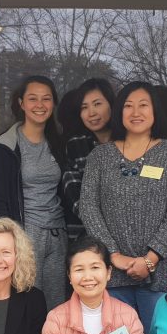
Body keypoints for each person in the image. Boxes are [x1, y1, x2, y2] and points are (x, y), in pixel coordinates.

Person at [79, 82, 167, 334]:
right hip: (112, 276)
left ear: (155, 112)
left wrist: (151, 259)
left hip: (159, 274)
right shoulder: (101, 156)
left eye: (143, 105)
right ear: (119, 112)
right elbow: (88, 207)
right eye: (128, 106)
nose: (135, 112)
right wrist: (114, 255)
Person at [0, 76, 68, 308]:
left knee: (56, 304)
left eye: (46, 99)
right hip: (25, 234)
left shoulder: (57, 143)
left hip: (57, 233)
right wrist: (11, 240)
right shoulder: (4, 146)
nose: (39, 105)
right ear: (21, 103)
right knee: (28, 302)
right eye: (33, 99)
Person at [60, 77, 115, 229]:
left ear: (111, 104)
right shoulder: (76, 145)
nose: (91, 113)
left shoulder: (131, 141)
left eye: (97, 104)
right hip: (90, 236)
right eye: (84, 107)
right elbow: (76, 197)